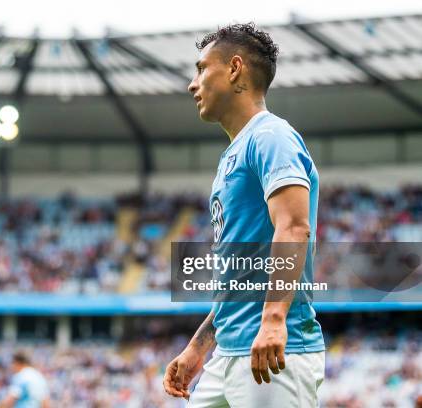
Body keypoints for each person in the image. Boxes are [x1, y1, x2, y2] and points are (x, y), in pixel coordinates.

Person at [164, 23, 325, 407]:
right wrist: (199, 345)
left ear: (235, 69)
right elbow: (236, 272)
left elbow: (294, 226)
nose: (193, 83)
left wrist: (272, 321)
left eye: (202, 69)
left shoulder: (271, 137)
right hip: (230, 353)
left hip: (271, 354)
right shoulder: (233, 155)